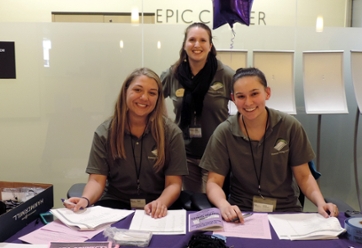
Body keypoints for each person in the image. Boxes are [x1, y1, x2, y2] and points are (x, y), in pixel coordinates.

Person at [200, 67, 339, 223]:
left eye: (254, 94)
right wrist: (224, 205)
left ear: (267, 93)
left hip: (287, 212)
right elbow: (213, 182)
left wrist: (321, 203)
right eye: (241, 96)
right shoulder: (224, 132)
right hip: (242, 213)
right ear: (233, 98)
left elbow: (304, 176)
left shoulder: (289, 126)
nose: (248, 102)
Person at [64, 68, 188, 219]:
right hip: (115, 204)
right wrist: (85, 199)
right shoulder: (105, 132)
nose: (144, 97)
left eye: (152, 93)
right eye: (137, 90)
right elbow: (97, 180)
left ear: (158, 98)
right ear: (125, 91)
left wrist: (161, 202)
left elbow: (174, 184)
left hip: (156, 206)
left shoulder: (172, 133)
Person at [161, 22, 235, 193]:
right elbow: (152, 98)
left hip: (216, 156)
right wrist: (164, 127)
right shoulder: (173, 74)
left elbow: (246, 103)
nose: (197, 45)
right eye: (192, 40)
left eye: (203, 40)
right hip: (184, 154)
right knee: (191, 205)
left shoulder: (225, 74)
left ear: (210, 46)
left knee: (210, 207)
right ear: (185, 44)